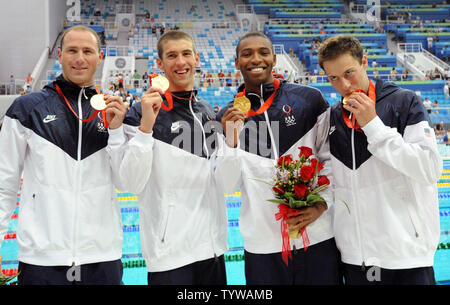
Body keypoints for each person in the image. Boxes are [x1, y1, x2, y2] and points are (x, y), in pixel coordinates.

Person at [0, 25, 126, 285]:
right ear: (59, 55)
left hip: (102, 257)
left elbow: (128, 182)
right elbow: (4, 184)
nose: (80, 58)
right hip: (43, 259)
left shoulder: (114, 113)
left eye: (87, 51)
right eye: (72, 50)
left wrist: (116, 132)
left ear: (99, 57)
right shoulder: (27, 109)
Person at [215, 32, 340, 285]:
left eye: (263, 52)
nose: (255, 59)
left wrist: (321, 205)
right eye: (247, 54)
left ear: (274, 58)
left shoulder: (309, 99)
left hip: (317, 238)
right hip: (263, 248)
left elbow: (331, 160)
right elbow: (227, 186)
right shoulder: (226, 116)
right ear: (237, 62)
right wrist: (231, 141)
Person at [318, 35, 442, 285]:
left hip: (406, 256)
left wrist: (373, 125)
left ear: (364, 62)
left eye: (349, 73)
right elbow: (331, 180)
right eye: (334, 78)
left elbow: (429, 168)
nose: (344, 85)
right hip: (357, 258)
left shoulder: (404, 102)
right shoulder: (332, 117)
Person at [106, 30, 228, 285]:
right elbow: (130, 184)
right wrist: (146, 128)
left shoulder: (206, 109)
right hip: (170, 257)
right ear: (160, 64)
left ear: (196, 59)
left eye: (186, 54)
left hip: (213, 251)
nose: (180, 62)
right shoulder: (139, 112)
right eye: (172, 55)